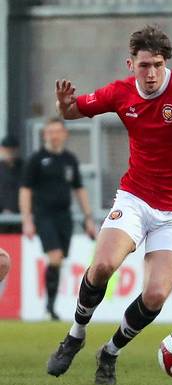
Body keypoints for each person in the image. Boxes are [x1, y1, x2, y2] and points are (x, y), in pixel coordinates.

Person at [45, 25, 172, 385]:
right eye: (144, 65)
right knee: (103, 265)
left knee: (155, 295)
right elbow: (73, 111)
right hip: (135, 197)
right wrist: (63, 106)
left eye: (158, 64)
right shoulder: (120, 92)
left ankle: (110, 353)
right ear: (131, 65)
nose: (152, 73)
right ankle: (75, 335)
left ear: (165, 63)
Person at [19, 118, 97, 320]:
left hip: (65, 216)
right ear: (45, 134)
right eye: (50, 131)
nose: (54, 135)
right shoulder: (36, 160)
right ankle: (49, 308)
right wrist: (27, 220)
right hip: (44, 215)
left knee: (60, 260)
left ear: (64, 134)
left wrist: (88, 218)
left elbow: (79, 189)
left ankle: (51, 306)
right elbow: (26, 190)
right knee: (54, 257)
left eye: (57, 131)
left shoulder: (69, 160)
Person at [0, 135, 23, 233]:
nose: (10, 153)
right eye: (7, 150)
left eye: (12, 150)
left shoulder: (25, 168)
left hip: (21, 219)